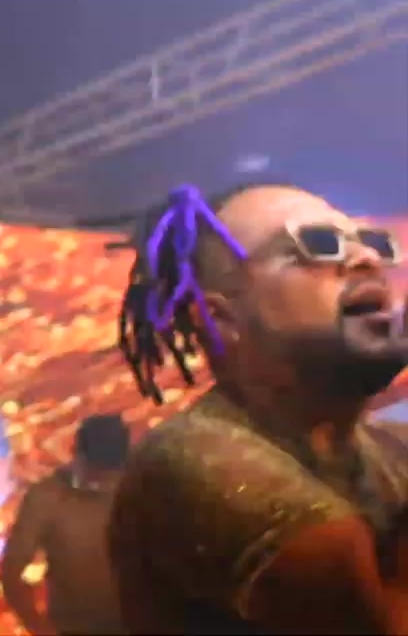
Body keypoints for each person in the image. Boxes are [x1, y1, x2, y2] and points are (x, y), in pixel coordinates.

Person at [108, 183, 408, 634]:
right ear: (223, 319)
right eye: (317, 244)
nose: (366, 259)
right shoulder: (192, 461)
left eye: (372, 242)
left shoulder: (391, 449)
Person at [0, 414, 129, 635]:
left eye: (109, 477)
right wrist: (39, 627)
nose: (102, 484)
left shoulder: (143, 494)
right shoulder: (47, 498)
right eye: (95, 475)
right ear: (77, 456)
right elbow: (11, 572)